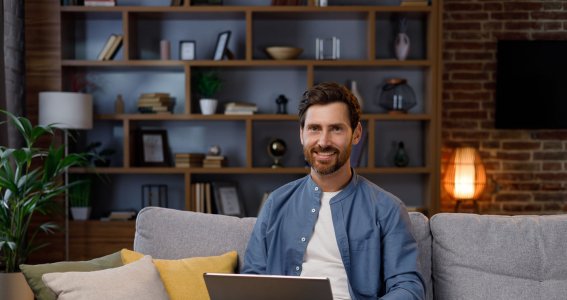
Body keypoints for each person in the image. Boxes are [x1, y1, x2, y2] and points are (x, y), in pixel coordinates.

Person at [242, 82, 425, 300]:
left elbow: (409, 289)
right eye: (314, 128)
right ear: (302, 134)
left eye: (336, 128)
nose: (323, 142)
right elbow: (251, 278)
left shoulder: (388, 209)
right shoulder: (276, 203)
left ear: (356, 134)